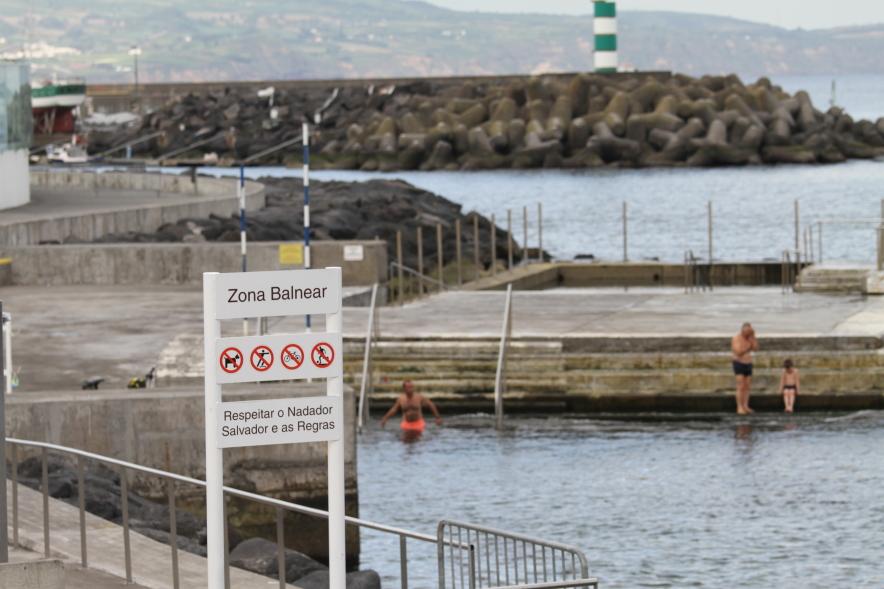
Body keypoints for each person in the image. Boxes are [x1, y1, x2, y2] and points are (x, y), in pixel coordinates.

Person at [731, 322, 759, 415]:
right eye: (747, 332)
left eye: (749, 332)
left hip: (748, 363)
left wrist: (753, 338)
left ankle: (745, 406)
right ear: (743, 331)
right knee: (740, 386)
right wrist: (748, 347)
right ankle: (739, 407)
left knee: (747, 386)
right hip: (738, 362)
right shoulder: (736, 338)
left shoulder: (750, 338)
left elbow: (755, 348)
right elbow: (738, 352)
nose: (748, 334)